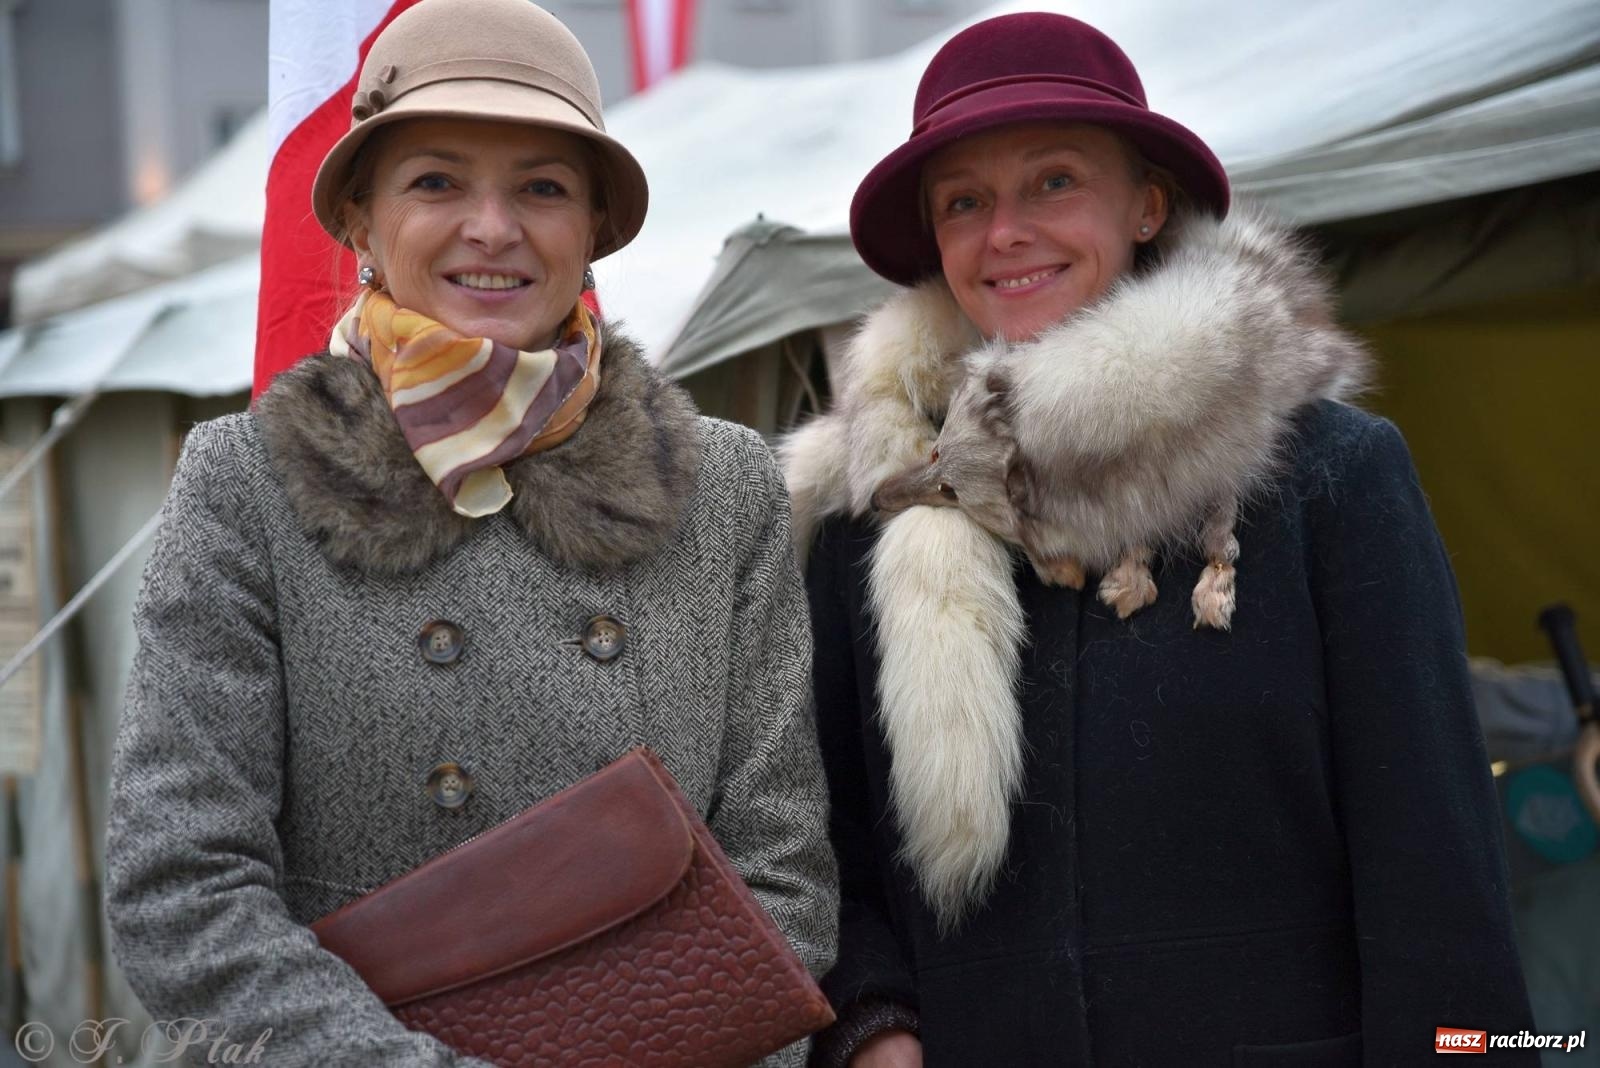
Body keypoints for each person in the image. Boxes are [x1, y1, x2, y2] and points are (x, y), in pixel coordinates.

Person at [781, 14, 1536, 1067]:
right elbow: (819, 844)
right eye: (963, 202)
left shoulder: (1329, 475)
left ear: (1147, 205)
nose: (1005, 232)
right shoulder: (876, 514)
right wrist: (872, 1021)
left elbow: (1435, 862)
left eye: (1053, 181)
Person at [104, 1, 836, 1063]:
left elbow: (783, 872)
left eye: (542, 188)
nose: (492, 228)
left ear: (594, 228)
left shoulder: (721, 485)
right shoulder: (247, 482)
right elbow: (183, 888)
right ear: (360, 222)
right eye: (436, 182)